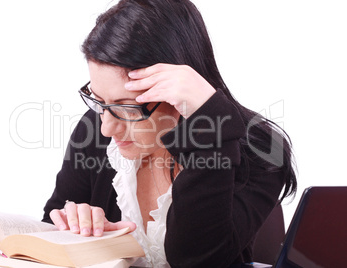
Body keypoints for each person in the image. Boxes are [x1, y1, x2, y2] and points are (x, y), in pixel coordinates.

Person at [42, 0, 297, 267]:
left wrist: (208, 124)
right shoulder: (95, 128)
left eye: (126, 108)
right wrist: (74, 225)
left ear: (178, 91)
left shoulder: (261, 150)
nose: (107, 127)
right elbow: (50, 226)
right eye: (98, 100)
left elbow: (196, 260)